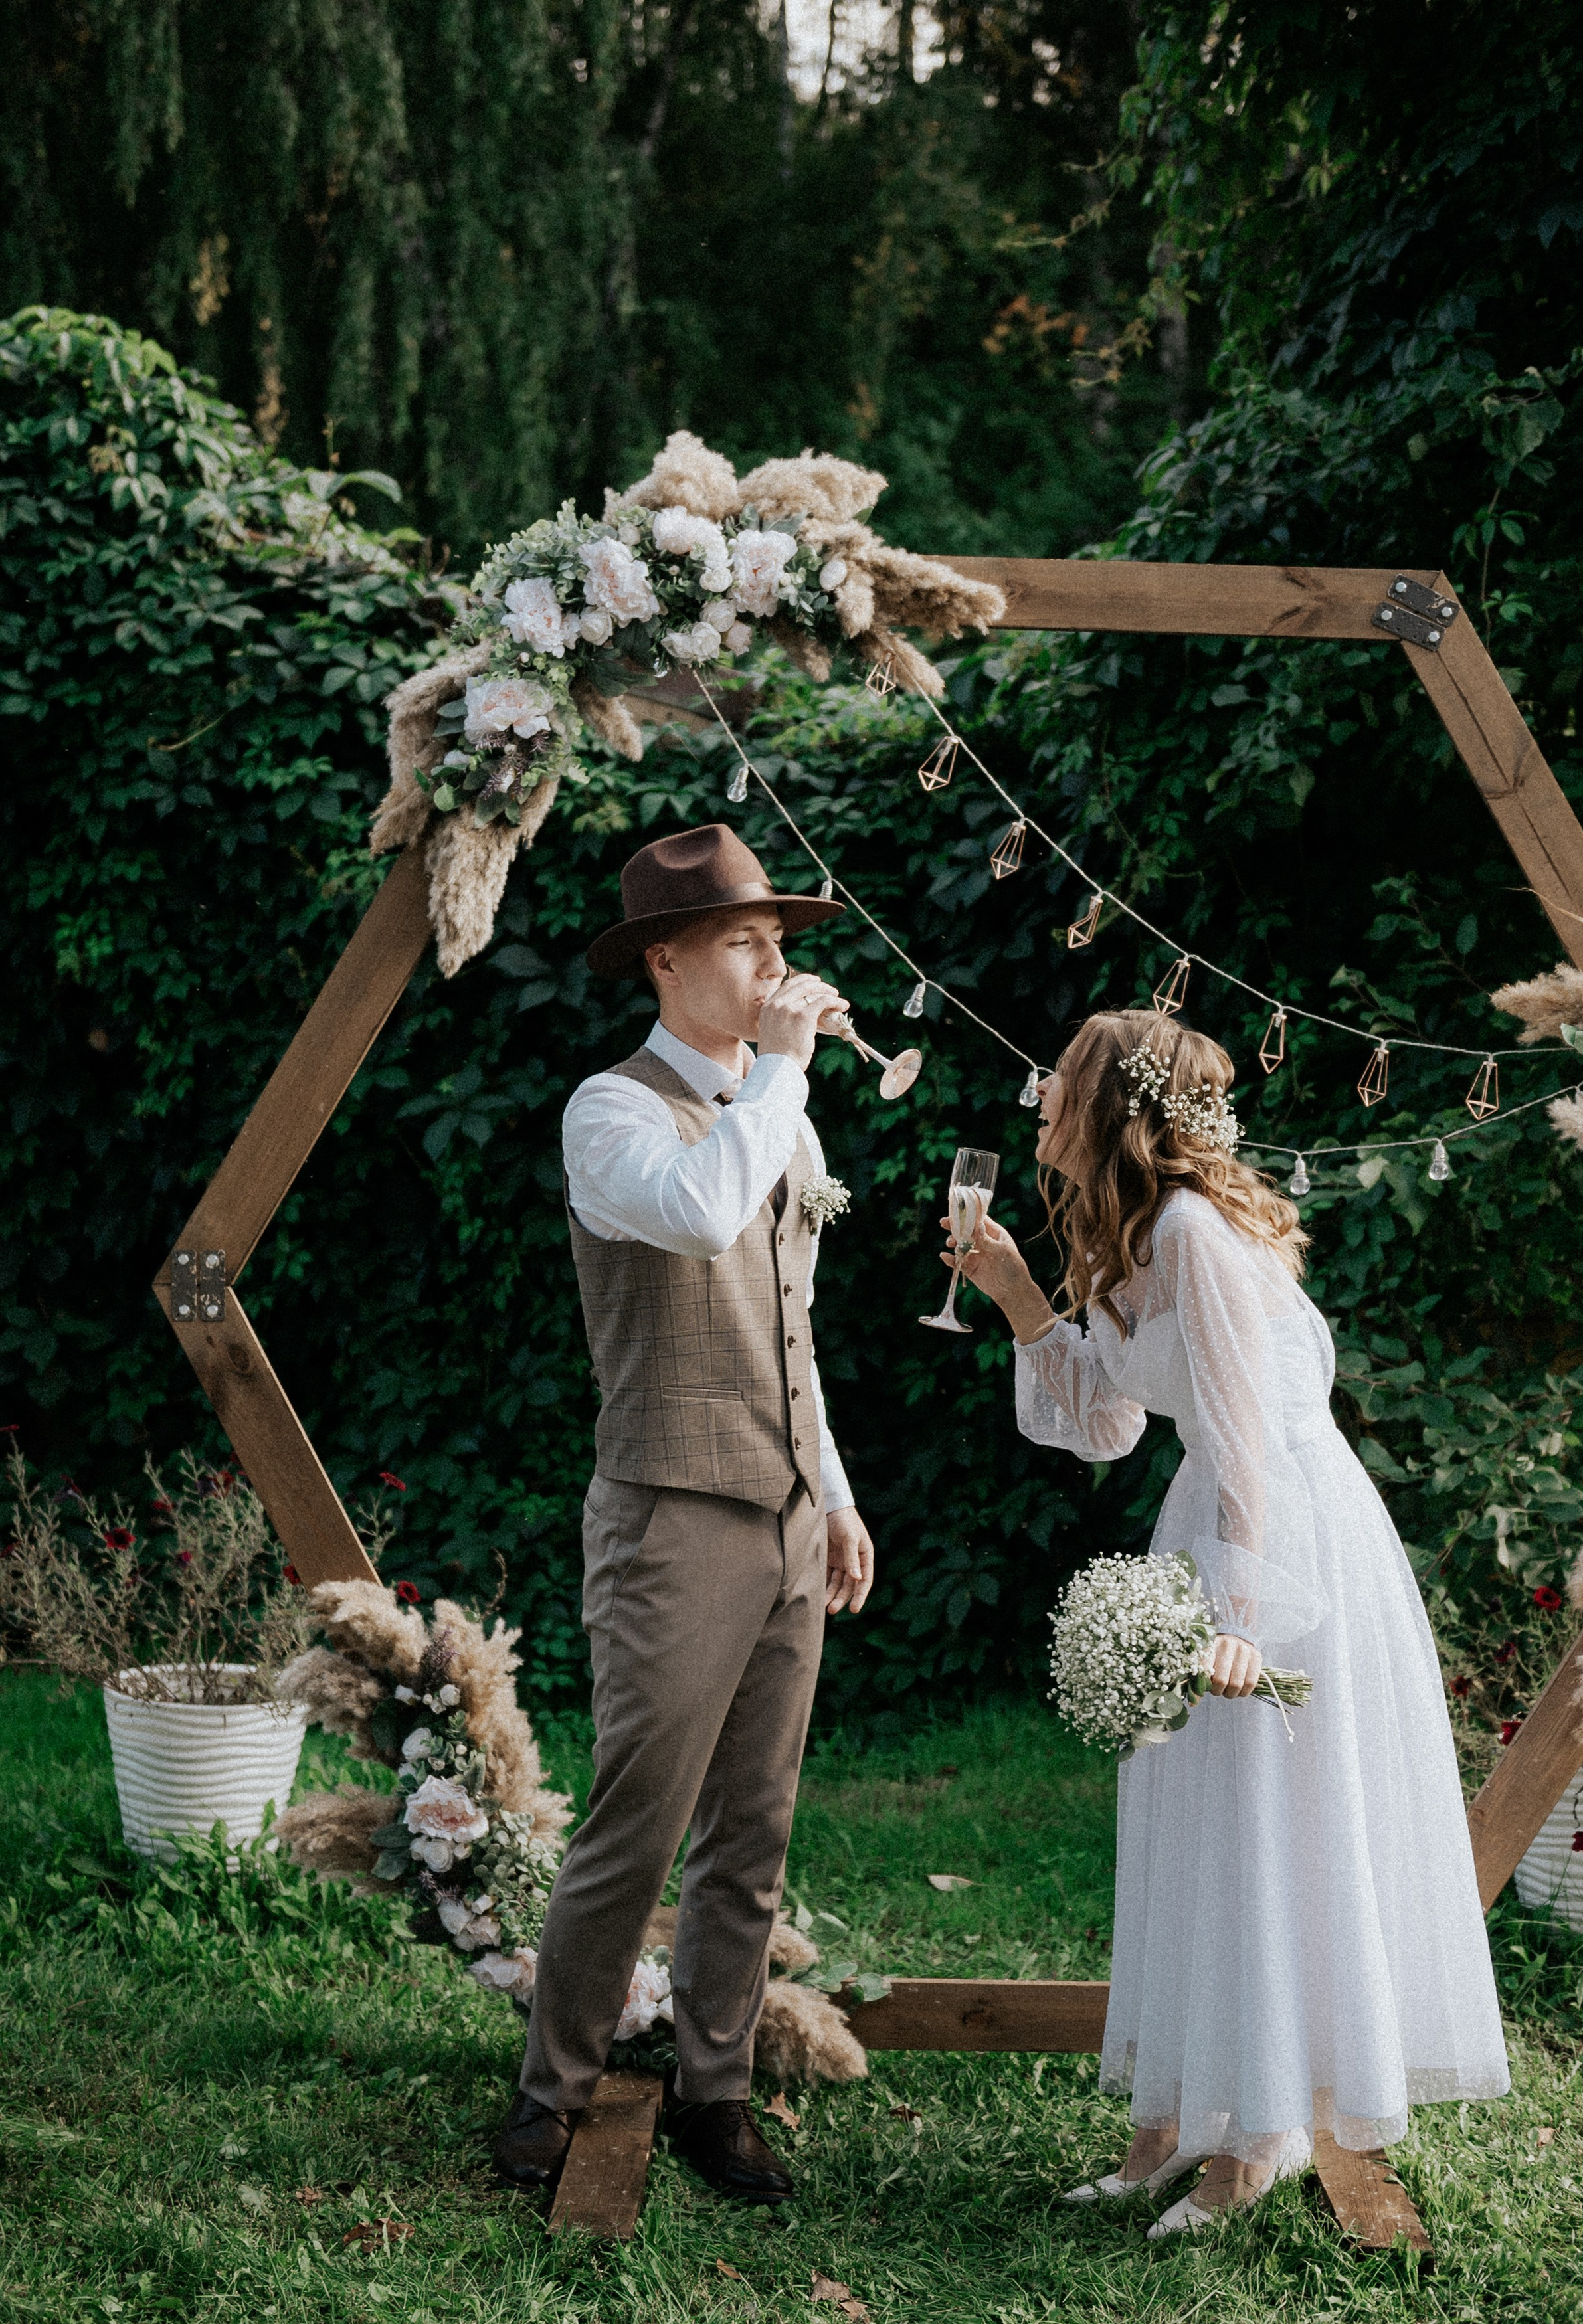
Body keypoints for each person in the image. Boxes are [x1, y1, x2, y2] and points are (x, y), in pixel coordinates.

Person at [953, 1008, 1508, 2236]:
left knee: (1267, 1821)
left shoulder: (1196, 1231)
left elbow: (1252, 1431)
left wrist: (1243, 1611)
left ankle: (1255, 2142)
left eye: (1064, 1080)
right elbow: (1105, 1427)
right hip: (1213, 1511)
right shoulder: (1128, 1237)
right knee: (1202, 1821)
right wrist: (1016, 1296)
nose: (1041, 1091)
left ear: (1115, 1110)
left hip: (1278, 1529)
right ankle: (1173, 2128)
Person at [493, 824, 876, 2203]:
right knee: (636, 1818)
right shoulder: (608, 1110)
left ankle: (716, 2088)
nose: (775, 959)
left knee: (753, 1823)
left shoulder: (786, 1109)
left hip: (780, 1514)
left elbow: (794, 1328)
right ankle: (555, 2087)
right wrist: (778, 1065)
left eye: (778, 937)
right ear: (662, 959)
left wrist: (828, 1492)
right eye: (740, 938)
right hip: (668, 1515)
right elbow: (707, 1218)